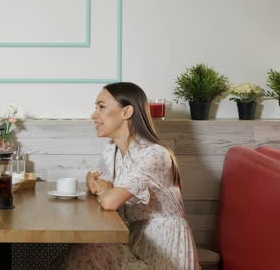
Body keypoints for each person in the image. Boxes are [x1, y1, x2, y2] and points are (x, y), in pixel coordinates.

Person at [52, 82, 198, 269]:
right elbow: (96, 181)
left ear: (126, 112)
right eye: (95, 107)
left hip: (165, 247)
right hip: (136, 238)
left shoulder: (155, 154)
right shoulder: (111, 150)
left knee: (92, 248)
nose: (93, 115)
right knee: (89, 246)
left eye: (101, 107)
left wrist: (104, 190)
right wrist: (93, 182)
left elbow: (109, 201)